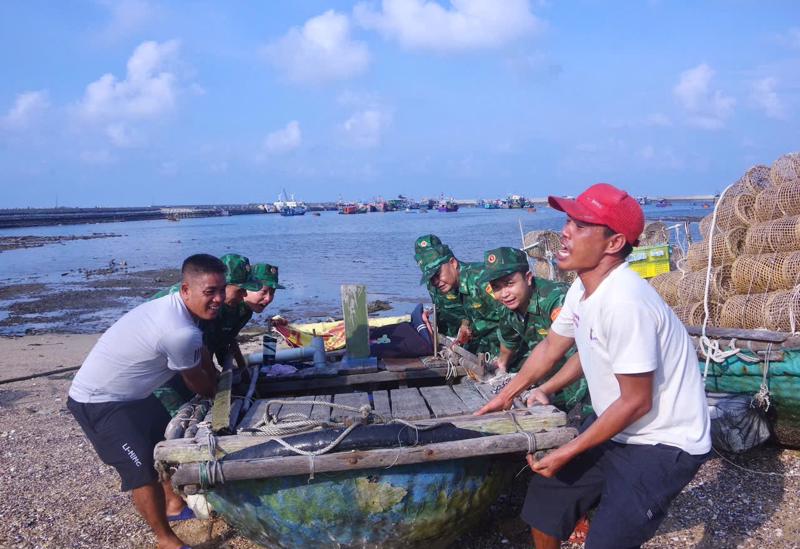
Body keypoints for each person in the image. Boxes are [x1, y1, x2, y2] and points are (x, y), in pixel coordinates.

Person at [477, 183, 711, 549]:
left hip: (664, 442)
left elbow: (636, 402)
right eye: (568, 221)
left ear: (614, 243)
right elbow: (554, 347)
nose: (565, 232)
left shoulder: (625, 302)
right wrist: (505, 396)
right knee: (545, 504)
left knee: (606, 541)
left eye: (581, 225)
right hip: (617, 426)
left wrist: (567, 450)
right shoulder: (581, 289)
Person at [67, 254, 223, 549]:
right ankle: (166, 540)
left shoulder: (182, 313)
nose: (218, 298)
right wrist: (220, 395)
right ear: (185, 289)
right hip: (99, 401)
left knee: (161, 448)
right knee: (141, 472)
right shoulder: (177, 330)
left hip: (135, 395)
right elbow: (198, 383)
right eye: (209, 292)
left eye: (221, 289)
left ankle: (174, 505)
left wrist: (215, 376)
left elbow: (200, 352)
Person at [477, 246, 568, 373]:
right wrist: (501, 364)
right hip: (547, 372)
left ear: (528, 278)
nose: (504, 294)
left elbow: (579, 356)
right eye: (496, 287)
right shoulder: (507, 304)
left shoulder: (555, 301)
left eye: (509, 283)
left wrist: (545, 389)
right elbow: (509, 340)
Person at [414, 235, 503, 357]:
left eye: (437, 274)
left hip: (501, 349)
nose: (435, 281)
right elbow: (465, 313)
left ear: (453, 263)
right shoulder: (436, 285)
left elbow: (512, 320)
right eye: (430, 277)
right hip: (467, 345)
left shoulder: (482, 280)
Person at [413, 234, 465, 338]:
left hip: (468, 335)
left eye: (431, 255)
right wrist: (429, 312)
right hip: (446, 333)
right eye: (423, 257)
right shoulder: (431, 280)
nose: (428, 260)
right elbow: (438, 305)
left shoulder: (461, 276)